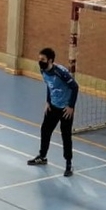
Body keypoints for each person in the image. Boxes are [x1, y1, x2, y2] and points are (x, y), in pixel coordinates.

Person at [28, 47, 78, 177]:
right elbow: (49, 86)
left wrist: (71, 106)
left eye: (43, 59)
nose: (40, 61)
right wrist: (48, 102)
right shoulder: (43, 70)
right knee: (45, 130)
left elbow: (75, 87)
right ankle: (42, 156)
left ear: (50, 60)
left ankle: (68, 164)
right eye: (39, 59)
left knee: (66, 135)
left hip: (65, 109)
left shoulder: (60, 72)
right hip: (53, 107)